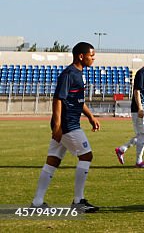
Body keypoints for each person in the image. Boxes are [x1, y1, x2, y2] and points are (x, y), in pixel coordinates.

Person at [31, 42, 101, 212]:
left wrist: (90, 116)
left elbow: (77, 100)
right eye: (91, 55)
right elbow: (58, 99)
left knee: (53, 161)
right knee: (86, 156)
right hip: (67, 125)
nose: (94, 58)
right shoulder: (69, 74)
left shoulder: (80, 74)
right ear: (81, 56)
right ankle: (78, 201)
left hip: (70, 123)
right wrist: (57, 126)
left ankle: (37, 202)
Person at [115, 52, 144, 168]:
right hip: (140, 109)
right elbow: (137, 91)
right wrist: (140, 108)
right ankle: (138, 161)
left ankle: (122, 149)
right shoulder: (140, 74)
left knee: (143, 134)